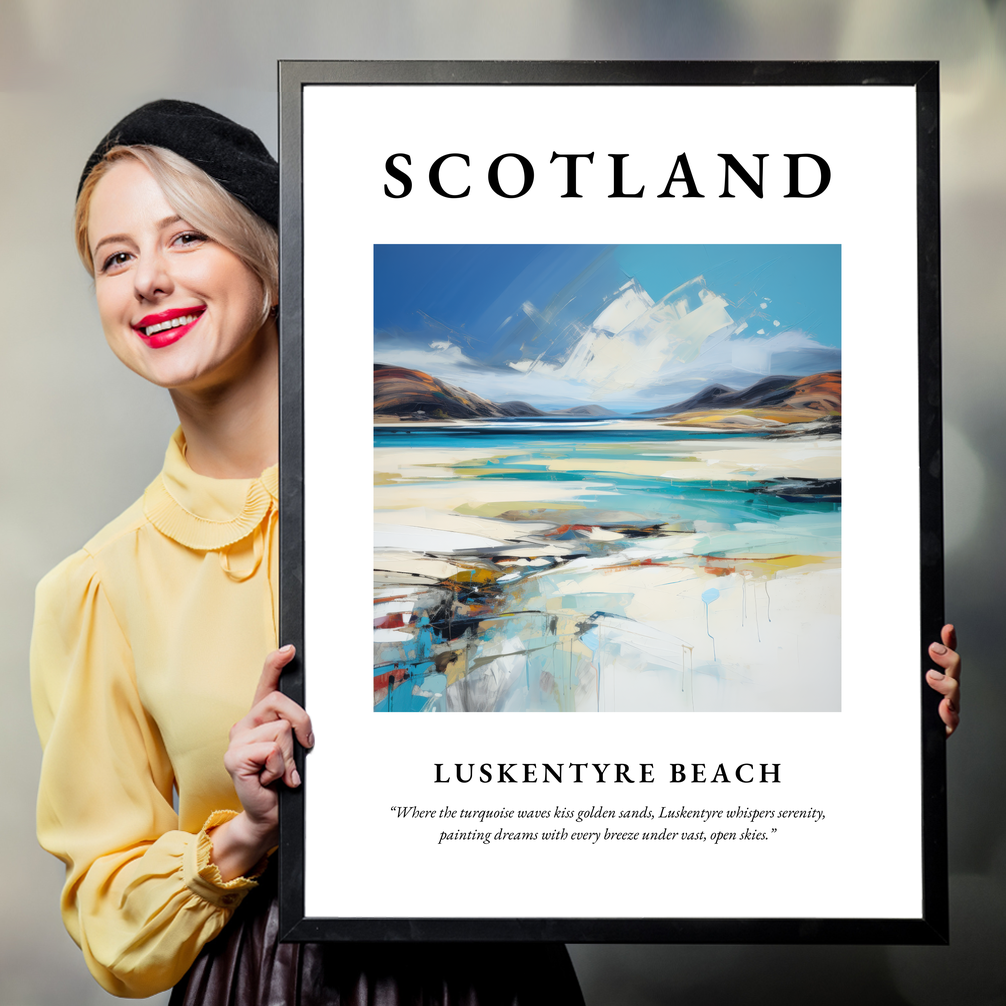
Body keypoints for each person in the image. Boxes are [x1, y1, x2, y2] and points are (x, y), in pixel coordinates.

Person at [30, 100, 586, 1004]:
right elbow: (110, 923)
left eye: (185, 239)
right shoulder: (97, 587)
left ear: (273, 263)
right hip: (262, 982)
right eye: (116, 257)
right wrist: (245, 832)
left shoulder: (448, 501)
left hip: (492, 972)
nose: (148, 281)